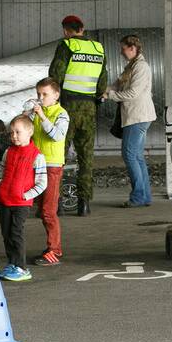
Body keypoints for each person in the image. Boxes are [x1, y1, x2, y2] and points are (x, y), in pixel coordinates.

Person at [48, 14, 106, 217]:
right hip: (89, 108)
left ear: (66, 30)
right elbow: (102, 83)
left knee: (58, 155)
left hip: (67, 107)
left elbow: (55, 76)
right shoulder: (98, 48)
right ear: (82, 28)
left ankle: (57, 204)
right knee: (86, 157)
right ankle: (84, 204)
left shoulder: (67, 45)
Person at [104, 34, 157, 208]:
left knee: (129, 155)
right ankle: (145, 197)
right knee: (137, 157)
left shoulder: (141, 67)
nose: (121, 52)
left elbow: (132, 94)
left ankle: (138, 197)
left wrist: (110, 95)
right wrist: (104, 90)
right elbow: (117, 85)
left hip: (137, 117)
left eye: (123, 48)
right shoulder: (131, 66)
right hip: (137, 116)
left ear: (132, 48)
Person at [0, 115, 48, 282]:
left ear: (30, 132)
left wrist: (26, 195)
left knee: (16, 233)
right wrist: (0, 184)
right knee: (6, 233)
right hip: (5, 200)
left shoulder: (37, 156)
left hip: (21, 203)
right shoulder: (8, 152)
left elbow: (42, 183)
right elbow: (2, 169)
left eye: (18, 132)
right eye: (12, 133)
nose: (14, 136)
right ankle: (12, 263)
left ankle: (22, 268)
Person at [27, 78, 70, 266]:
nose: (40, 98)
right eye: (39, 94)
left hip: (52, 166)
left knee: (48, 211)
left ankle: (55, 250)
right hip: (35, 164)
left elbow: (56, 135)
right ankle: (51, 247)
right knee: (41, 210)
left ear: (56, 95)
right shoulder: (36, 113)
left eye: (44, 94)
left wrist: (42, 117)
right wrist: (25, 116)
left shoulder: (61, 114)